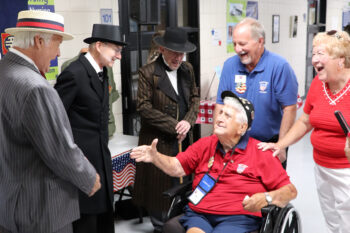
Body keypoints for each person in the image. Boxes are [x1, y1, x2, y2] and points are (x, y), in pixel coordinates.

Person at [131, 91, 297, 233]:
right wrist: (156, 157)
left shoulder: (260, 152)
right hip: (199, 214)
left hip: (237, 218)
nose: (219, 118)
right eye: (220, 113)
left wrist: (266, 198)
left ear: (242, 128)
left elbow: (290, 191)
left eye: (227, 115)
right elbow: (177, 167)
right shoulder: (205, 144)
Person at [0, 10, 100, 233]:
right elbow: (60, 150)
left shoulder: (4, 71)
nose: (58, 53)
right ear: (38, 41)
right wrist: (89, 177)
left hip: (9, 204)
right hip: (41, 211)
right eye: (56, 44)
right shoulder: (35, 88)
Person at [258, 30, 350, 233]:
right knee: (332, 217)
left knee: (348, 219)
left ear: (340, 60)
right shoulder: (319, 84)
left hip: (347, 169)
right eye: (313, 53)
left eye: (320, 54)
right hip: (322, 166)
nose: (314, 60)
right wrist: (280, 144)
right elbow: (305, 120)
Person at [54, 24, 126, 233]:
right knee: (87, 225)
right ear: (99, 45)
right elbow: (55, 121)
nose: (119, 56)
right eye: (116, 50)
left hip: (101, 163)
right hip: (82, 166)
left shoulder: (102, 72)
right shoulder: (74, 73)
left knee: (104, 223)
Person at [133, 27, 200, 232]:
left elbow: (195, 99)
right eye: (173, 52)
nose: (178, 58)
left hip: (183, 141)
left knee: (183, 183)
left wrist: (187, 122)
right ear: (162, 49)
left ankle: (177, 222)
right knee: (159, 189)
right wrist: (174, 126)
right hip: (158, 141)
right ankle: (160, 226)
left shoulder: (187, 69)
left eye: (181, 53)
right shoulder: (148, 73)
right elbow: (143, 107)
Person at [216, 17, 298, 168]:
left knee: (270, 190)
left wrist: (281, 145)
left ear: (260, 42)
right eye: (234, 44)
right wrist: (220, 138)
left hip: (268, 143)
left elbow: (290, 108)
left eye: (242, 44)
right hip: (235, 142)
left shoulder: (279, 66)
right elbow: (221, 104)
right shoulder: (229, 66)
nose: (237, 49)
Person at [61, 47, 120, 138]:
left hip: (108, 129)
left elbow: (112, 94)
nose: (119, 56)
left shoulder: (107, 66)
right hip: (84, 133)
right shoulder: (70, 66)